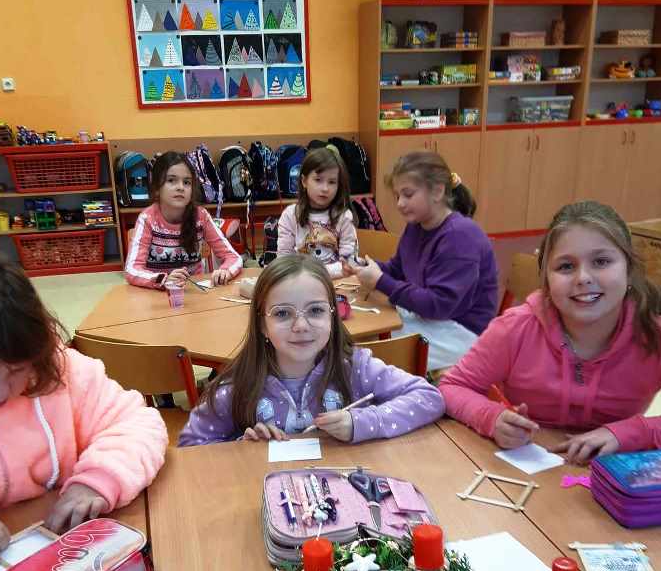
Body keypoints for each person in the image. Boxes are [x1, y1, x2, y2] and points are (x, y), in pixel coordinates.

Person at [0, 251, 168, 567]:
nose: (2, 391)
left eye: (18, 370)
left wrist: (97, 480)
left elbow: (139, 423)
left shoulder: (61, 370)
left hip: (66, 558)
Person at [439, 200, 661, 462]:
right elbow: (452, 386)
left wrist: (634, 432)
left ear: (629, 271)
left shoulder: (657, 338)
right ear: (546, 280)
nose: (583, 278)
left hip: (608, 476)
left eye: (601, 261)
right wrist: (492, 418)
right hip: (524, 468)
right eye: (566, 266)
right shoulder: (515, 329)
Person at [178, 254, 444, 445]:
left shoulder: (355, 367)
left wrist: (360, 423)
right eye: (282, 313)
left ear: (332, 316)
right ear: (262, 325)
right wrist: (242, 448)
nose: (301, 326)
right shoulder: (239, 386)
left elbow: (429, 398)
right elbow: (191, 446)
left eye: (316, 310)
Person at [344, 150, 498, 370]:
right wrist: (367, 267)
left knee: (371, 349)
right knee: (365, 334)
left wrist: (380, 281)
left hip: (462, 334)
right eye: (397, 196)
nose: (400, 203)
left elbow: (437, 305)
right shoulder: (416, 226)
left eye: (408, 194)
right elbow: (399, 269)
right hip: (433, 319)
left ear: (437, 191)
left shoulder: (459, 237)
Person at [125, 150, 242, 289]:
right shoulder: (147, 219)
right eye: (171, 180)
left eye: (186, 182)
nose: (181, 187)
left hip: (194, 291)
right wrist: (163, 279)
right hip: (158, 293)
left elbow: (234, 257)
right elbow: (132, 270)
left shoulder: (201, 216)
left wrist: (226, 271)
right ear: (156, 188)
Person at [276, 147, 357, 278]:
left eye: (332, 182)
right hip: (300, 282)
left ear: (339, 185)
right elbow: (283, 260)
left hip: (335, 283)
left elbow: (348, 264)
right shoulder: (290, 215)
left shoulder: (344, 216)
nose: (325, 188)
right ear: (304, 181)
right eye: (318, 180)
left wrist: (316, 273)